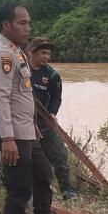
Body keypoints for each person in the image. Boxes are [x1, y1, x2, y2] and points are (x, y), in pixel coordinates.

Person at [0, 5, 57, 214]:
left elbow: (22, 96)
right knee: (18, 189)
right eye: (21, 23)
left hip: (27, 131)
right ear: (6, 25)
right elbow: (1, 98)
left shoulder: (17, 52)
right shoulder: (2, 55)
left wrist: (34, 126)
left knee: (43, 176)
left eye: (28, 22)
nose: (28, 28)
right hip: (13, 134)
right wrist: (7, 139)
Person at [29, 37, 78, 200]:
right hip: (24, 123)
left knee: (60, 156)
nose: (46, 57)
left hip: (45, 123)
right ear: (32, 51)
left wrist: (52, 113)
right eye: (43, 53)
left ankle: (67, 191)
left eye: (48, 54)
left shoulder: (52, 75)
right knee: (26, 160)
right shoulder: (21, 70)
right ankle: (27, 191)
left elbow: (57, 98)